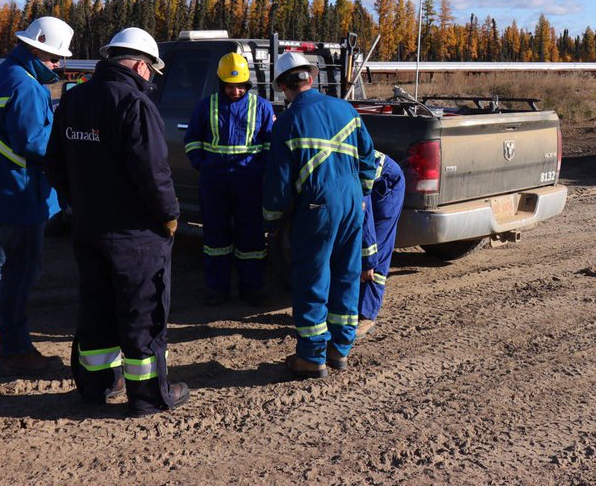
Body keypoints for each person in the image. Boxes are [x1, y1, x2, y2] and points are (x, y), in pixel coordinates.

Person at [44, 27, 189, 417]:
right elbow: (153, 173)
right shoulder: (135, 104)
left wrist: (79, 202)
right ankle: (148, 396)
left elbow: (54, 164)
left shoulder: (74, 99)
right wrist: (169, 215)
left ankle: (98, 385)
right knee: (143, 312)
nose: (150, 79)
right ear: (141, 65)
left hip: (88, 228)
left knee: (96, 308)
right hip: (135, 235)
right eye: (151, 72)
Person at [0, 16, 74, 374]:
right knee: (20, 272)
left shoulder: (0, 75)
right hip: (20, 194)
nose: (58, 64)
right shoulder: (26, 86)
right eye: (55, 57)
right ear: (36, 49)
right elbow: (34, 142)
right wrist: (66, 136)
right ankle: (15, 351)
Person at [263, 52, 377, 379]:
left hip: (317, 207)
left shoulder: (287, 122)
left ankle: (312, 357)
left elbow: (279, 182)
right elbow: (368, 156)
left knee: (312, 279)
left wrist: (271, 219)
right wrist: (361, 194)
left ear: (282, 86)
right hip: (352, 202)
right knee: (346, 274)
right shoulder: (346, 109)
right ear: (311, 79)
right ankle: (339, 350)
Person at [183, 52, 276, 307]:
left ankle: (252, 288)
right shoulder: (206, 105)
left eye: (240, 86)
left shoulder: (262, 106)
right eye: (230, 86)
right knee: (216, 237)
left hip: (249, 183)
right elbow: (192, 140)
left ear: (247, 83)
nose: (235, 91)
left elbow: (270, 144)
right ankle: (217, 288)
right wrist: (202, 164)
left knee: (252, 237)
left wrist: (260, 169)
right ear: (221, 82)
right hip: (214, 183)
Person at [356, 150, 405, 340]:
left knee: (377, 248)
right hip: (370, 180)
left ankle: (366, 315)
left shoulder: (354, 172)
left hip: (388, 184)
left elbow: (365, 218)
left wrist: (368, 261)